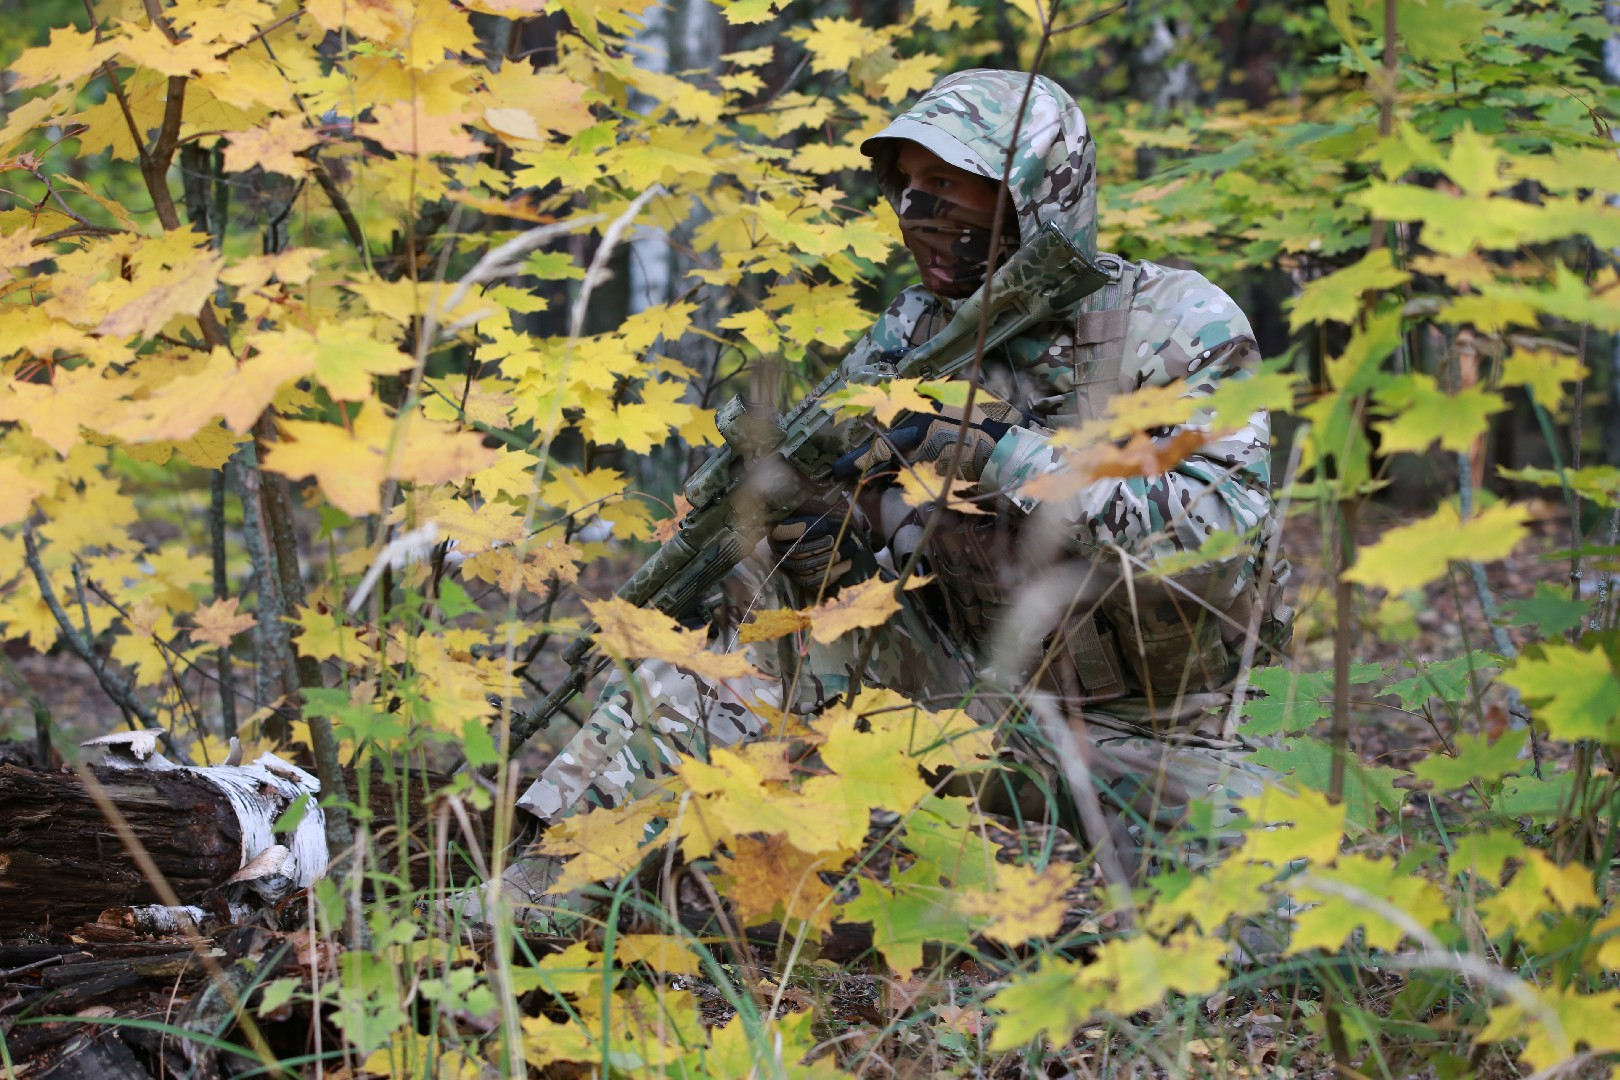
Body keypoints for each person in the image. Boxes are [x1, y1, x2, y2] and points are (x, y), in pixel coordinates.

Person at [471, 69, 1292, 928]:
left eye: (947, 184)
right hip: (967, 698)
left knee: (1267, 944)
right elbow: (840, 546)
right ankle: (542, 892)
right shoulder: (911, 335)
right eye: (905, 185)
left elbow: (1218, 531)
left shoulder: (1175, 322)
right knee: (758, 636)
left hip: (1163, 727)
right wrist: (814, 534)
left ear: (1038, 188)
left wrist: (1001, 453)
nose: (920, 213)